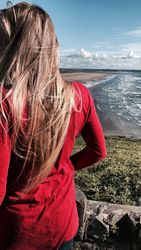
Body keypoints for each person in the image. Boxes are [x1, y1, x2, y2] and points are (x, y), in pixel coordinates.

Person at [0, 2, 106, 249]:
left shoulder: (5, 104)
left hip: (18, 233)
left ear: (13, 46)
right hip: (63, 222)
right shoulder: (78, 95)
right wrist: (65, 166)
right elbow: (98, 152)